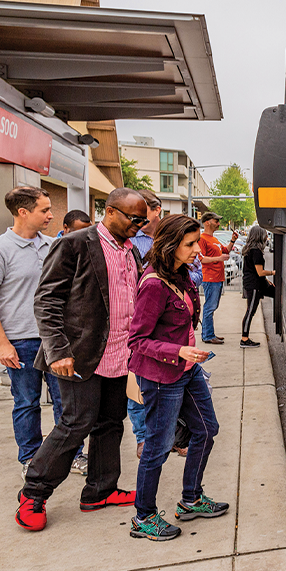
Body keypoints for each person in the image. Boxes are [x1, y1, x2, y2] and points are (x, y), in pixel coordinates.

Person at [15, 188, 148, 532]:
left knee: (111, 423)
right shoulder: (74, 244)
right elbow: (47, 301)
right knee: (75, 424)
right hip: (79, 356)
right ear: (111, 211)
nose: (139, 225)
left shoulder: (131, 251)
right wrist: (58, 350)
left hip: (120, 355)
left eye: (143, 220)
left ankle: (99, 491)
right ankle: (33, 493)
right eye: (135, 218)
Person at [128, 214, 227, 541]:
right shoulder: (154, 284)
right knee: (157, 447)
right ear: (170, 245)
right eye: (190, 244)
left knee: (207, 429)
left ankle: (191, 499)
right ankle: (143, 518)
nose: (197, 249)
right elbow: (137, 341)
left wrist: (186, 352)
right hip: (162, 377)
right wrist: (178, 352)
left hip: (186, 371)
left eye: (197, 241)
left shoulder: (180, 273)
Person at [0, 187, 85, 479]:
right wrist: (2, 344)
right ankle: (30, 458)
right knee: (27, 402)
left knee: (68, 403)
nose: (51, 215)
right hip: (21, 341)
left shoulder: (54, 245)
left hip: (57, 339)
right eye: (44, 210)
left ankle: (74, 454)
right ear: (23, 212)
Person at [126, 189, 163, 460]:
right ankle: (143, 437)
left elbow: (193, 272)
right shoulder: (128, 242)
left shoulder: (168, 236)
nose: (137, 220)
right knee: (137, 383)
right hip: (136, 321)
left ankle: (165, 433)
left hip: (164, 321)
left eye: (140, 213)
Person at [198, 211, 237, 344]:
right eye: (216, 221)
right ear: (207, 222)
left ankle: (209, 333)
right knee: (210, 307)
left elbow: (225, 251)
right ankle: (208, 335)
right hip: (210, 278)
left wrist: (233, 240)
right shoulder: (202, 239)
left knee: (212, 306)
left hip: (217, 278)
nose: (218, 223)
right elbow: (201, 259)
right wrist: (219, 258)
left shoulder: (213, 239)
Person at [240, 225, 276, 348]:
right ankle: (244, 339)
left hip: (255, 283)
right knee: (251, 311)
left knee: (278, 293)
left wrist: (266, 280)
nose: (267, 236)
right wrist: (272, 273)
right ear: (260, 236)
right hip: (254, 285)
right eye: (265, 234)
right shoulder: (256, 252)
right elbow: (260, 272)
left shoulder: (250, 249)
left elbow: (255, 271)